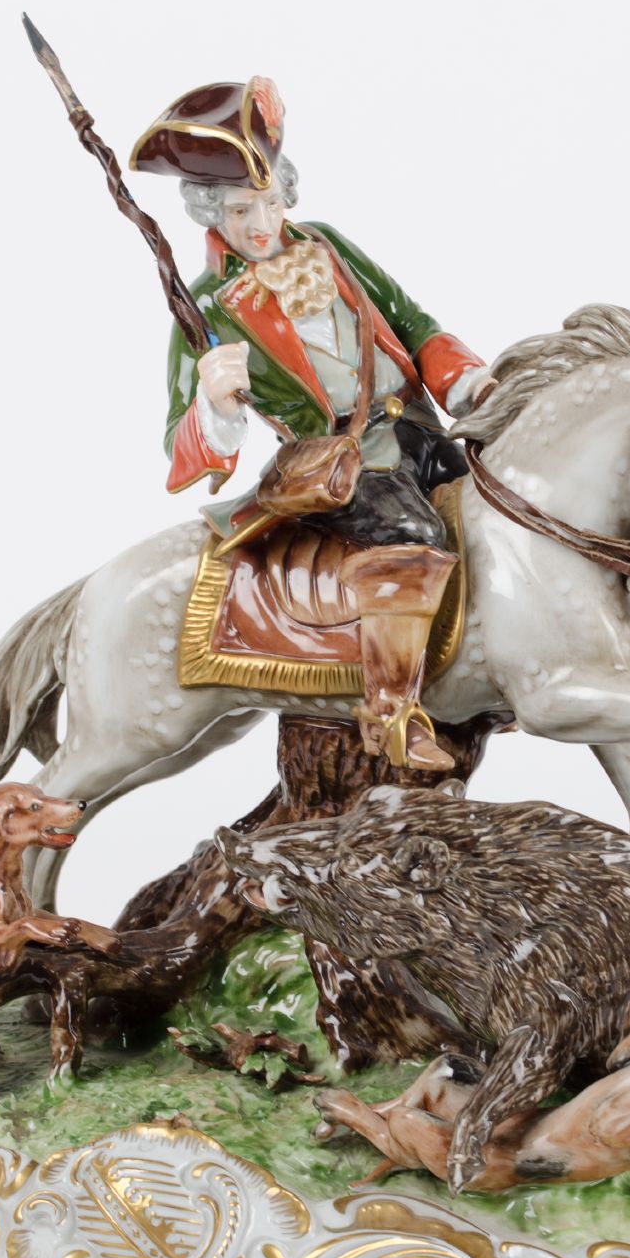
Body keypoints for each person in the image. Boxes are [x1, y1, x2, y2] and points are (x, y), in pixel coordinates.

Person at [129, 77, 492, 771]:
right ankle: (392, 715)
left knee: (498, 498)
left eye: (269, 202)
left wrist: (468, 382)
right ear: (211, 213)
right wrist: (216, 403)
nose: (261, 223)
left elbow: (411, 322)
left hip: (418, 427)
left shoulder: (327, 245)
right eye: (241, 210)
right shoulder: (207, 307)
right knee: (413, 534)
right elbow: (181, 443)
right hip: (344, 464)